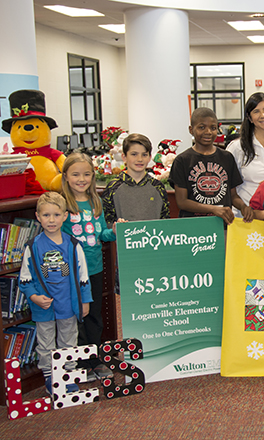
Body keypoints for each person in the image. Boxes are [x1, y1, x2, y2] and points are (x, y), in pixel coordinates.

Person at [18, 192, 92, 394]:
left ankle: (68, 375)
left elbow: (83, 276)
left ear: (65, 216)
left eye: (56, 215)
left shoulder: (74, 245)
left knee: (69, 340)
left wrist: (84, 301)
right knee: (46, 344)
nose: (51, 220)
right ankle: (51, 377)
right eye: (46, 215)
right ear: (38, 217)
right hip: (44, 307)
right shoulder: (32, 247)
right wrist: (34, 297)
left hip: (68, 303)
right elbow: (25, 279)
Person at [61, 152, 117, 381]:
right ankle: (74, 361)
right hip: (71, 272)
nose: (81, 179)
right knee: (74, 316)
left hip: (94, 268)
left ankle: (93, 360)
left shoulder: (96, 202)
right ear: (65, 176)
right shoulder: (63, 203)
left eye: (86, 174)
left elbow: (100, 233)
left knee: (94, 314)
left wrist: (113, 232)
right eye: (75, 174)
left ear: (93, 176)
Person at [170, 107, 253, 223]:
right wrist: (214, 209)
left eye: (213, 128)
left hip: (221, 225)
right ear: (191, 130)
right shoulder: (182, 160)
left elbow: (233, 196)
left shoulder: (227, 158)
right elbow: (182, 201)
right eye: (201, 127)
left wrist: (243, 207)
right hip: (192, 226)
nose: (208, 132)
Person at [227, 93, 264, 217]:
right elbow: (228, 188)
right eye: (256, 111)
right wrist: (243, 208)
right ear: (250, 118)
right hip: (247, 217)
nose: (263, 115)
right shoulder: (237, 147)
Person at [102, 133, 170, 224]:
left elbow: (165, 221)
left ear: (150, 157)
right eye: (134, 154)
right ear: (124, 157)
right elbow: (108, 223)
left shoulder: (158, 187)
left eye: (144, 155)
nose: (140, 159)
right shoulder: (113, 187)